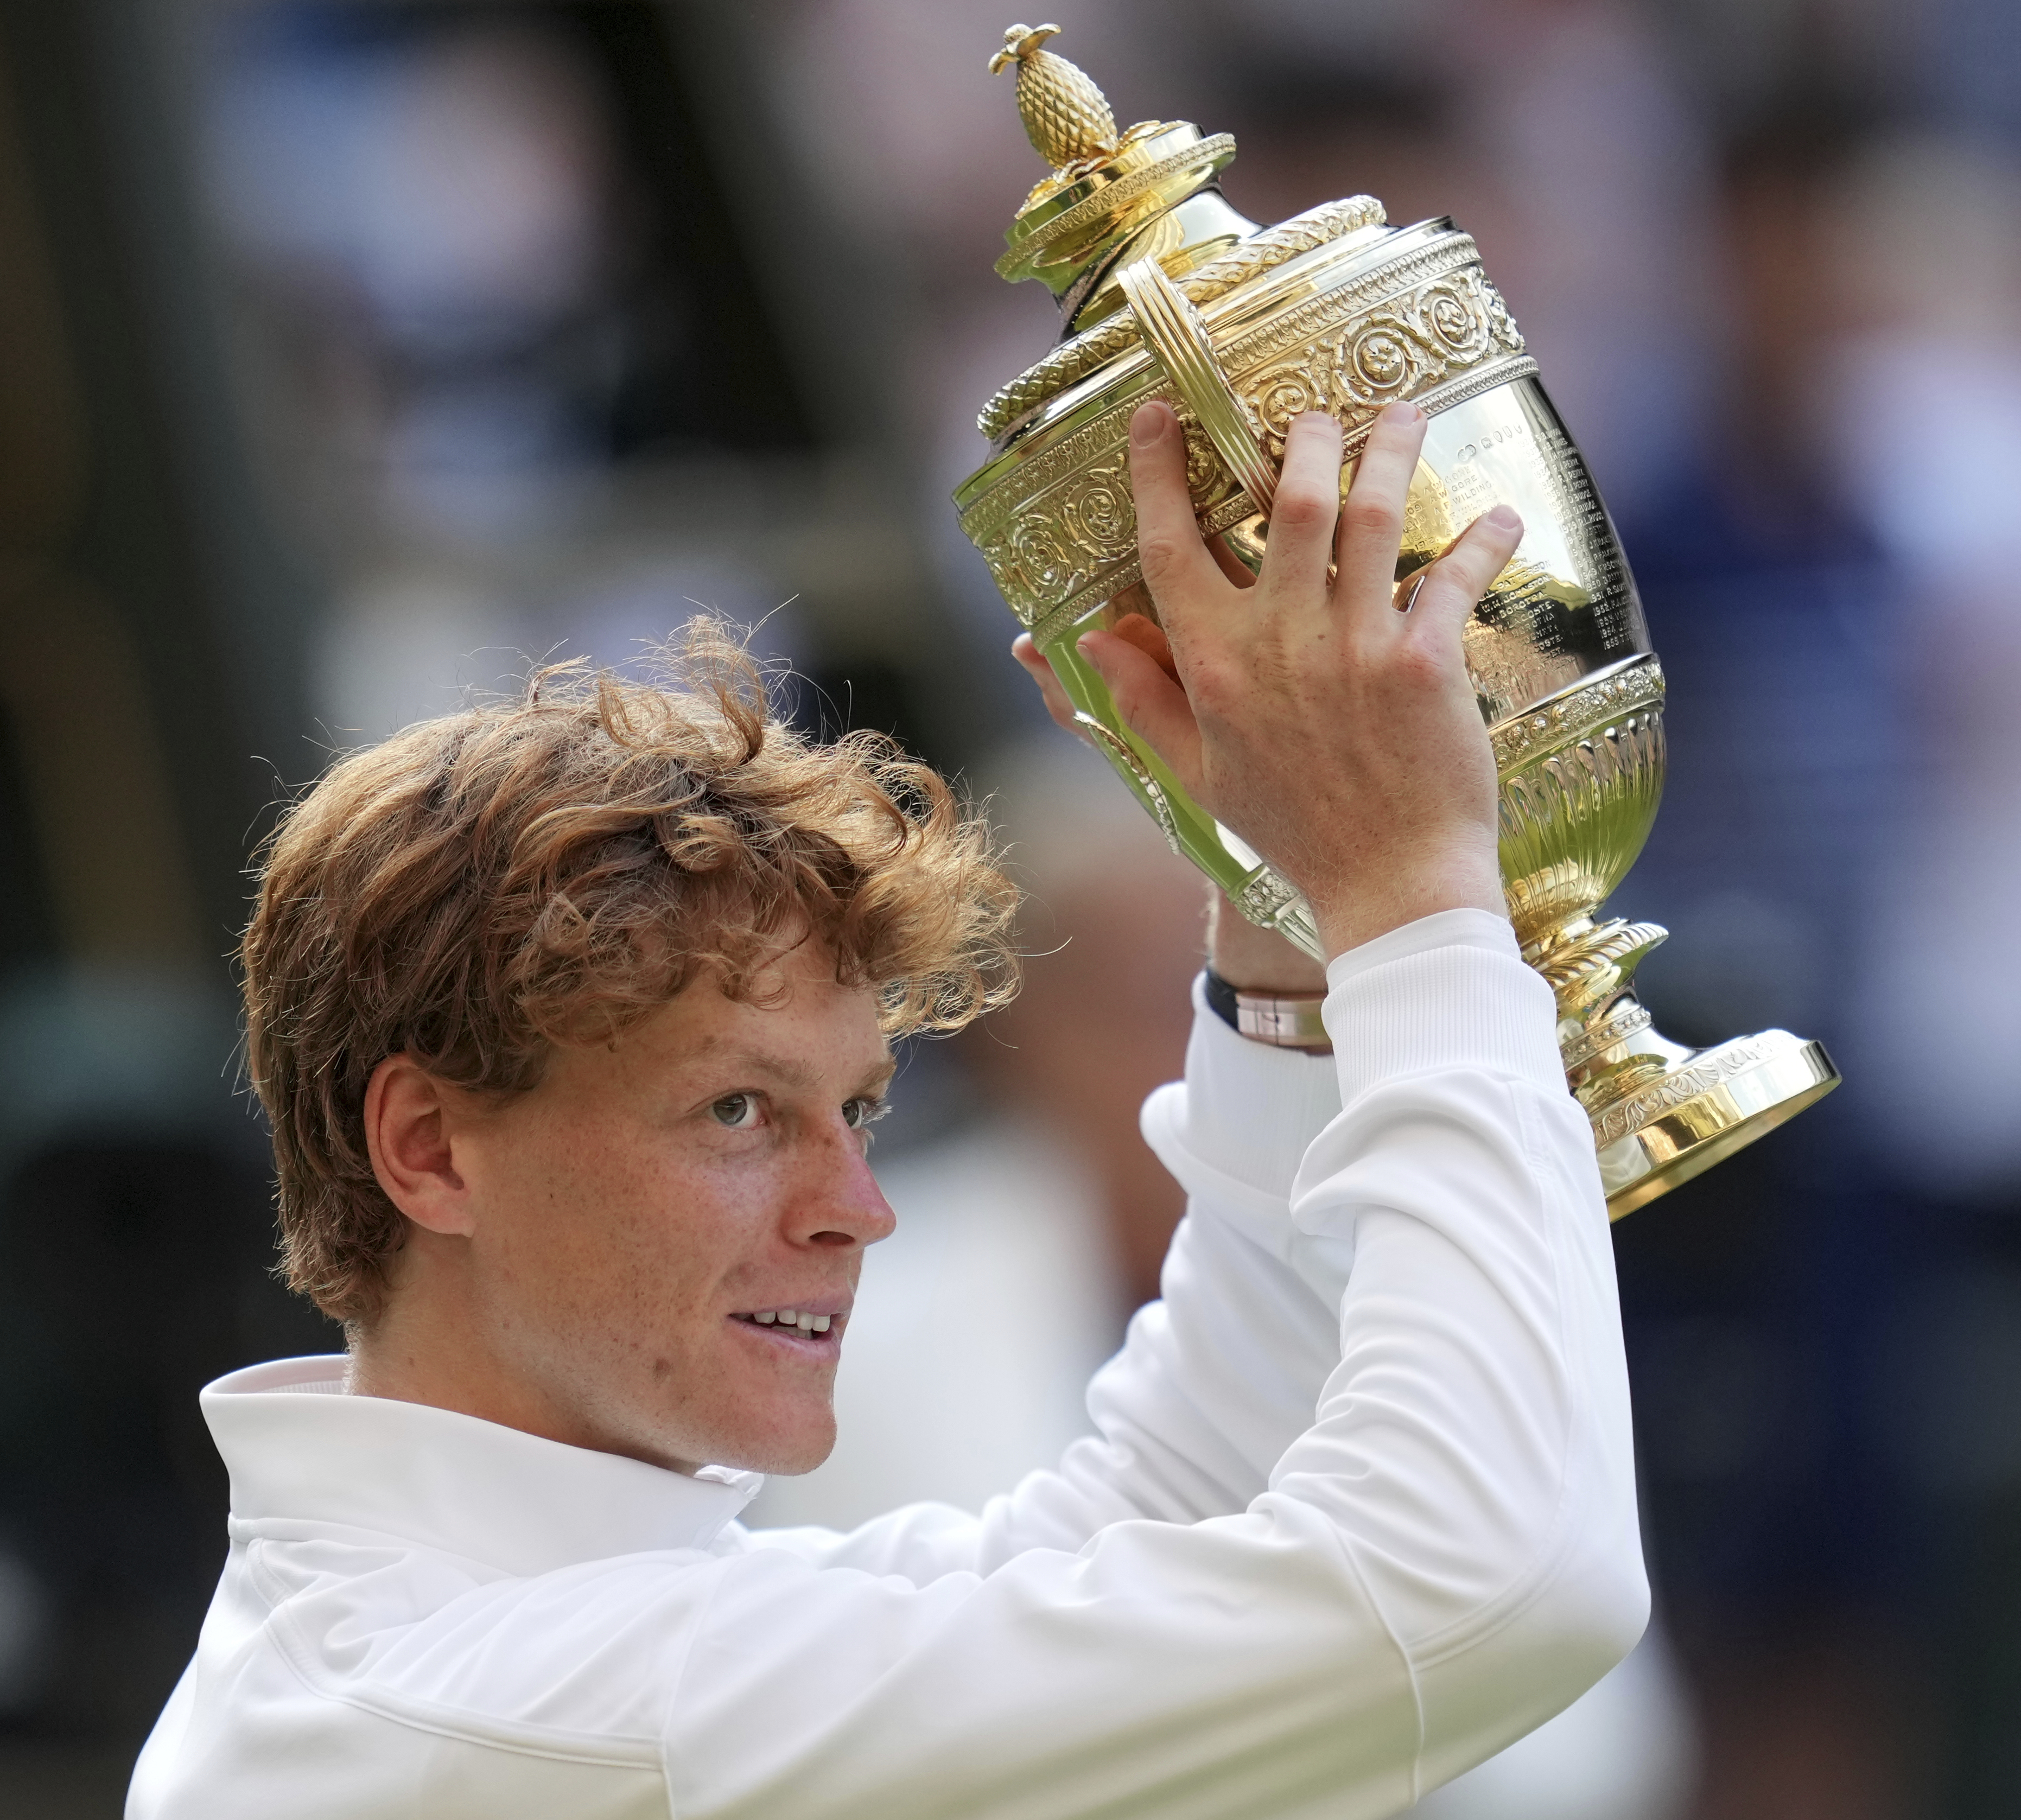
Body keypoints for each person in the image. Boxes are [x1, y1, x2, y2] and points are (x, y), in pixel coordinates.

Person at [126, 400, 1650, 1817]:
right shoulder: (528, 1702)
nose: (855, 1205)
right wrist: (1411, 892)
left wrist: (1285, 920)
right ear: (427, 1147)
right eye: (735, 1109)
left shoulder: (490, 1644)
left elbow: (1177, 1526)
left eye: (855, 1104)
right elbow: (1497, 1587)